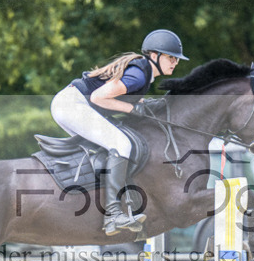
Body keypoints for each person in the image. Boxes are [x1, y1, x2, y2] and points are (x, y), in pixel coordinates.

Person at [51, 29, 187, 235]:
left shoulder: (144, 75)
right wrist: (133, 109)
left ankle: (107, 204)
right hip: (72, 105)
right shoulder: (139, 75)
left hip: (72, 104)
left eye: (176, 59)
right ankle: (113, 214)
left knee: (112, 145)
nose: (175, 63)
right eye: (170, 57)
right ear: (154, 55)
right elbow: (98, 97)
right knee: (122, 144)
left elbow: (133, 104)